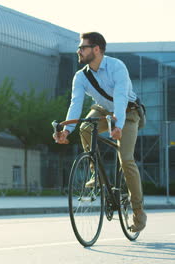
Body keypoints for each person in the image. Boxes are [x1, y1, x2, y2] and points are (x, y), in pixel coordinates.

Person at [53, 32, 146, 233]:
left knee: (126, 158)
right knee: (86, 127)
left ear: (96, 49)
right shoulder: (81, 76)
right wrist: (67, 130)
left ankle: (138, 211)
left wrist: (118, 126)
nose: (79, 50)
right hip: (103, 110)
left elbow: (121, 98)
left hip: (128, 113)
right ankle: (96, 172)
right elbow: (76, 104)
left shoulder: (117, 67)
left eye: (83, 47)